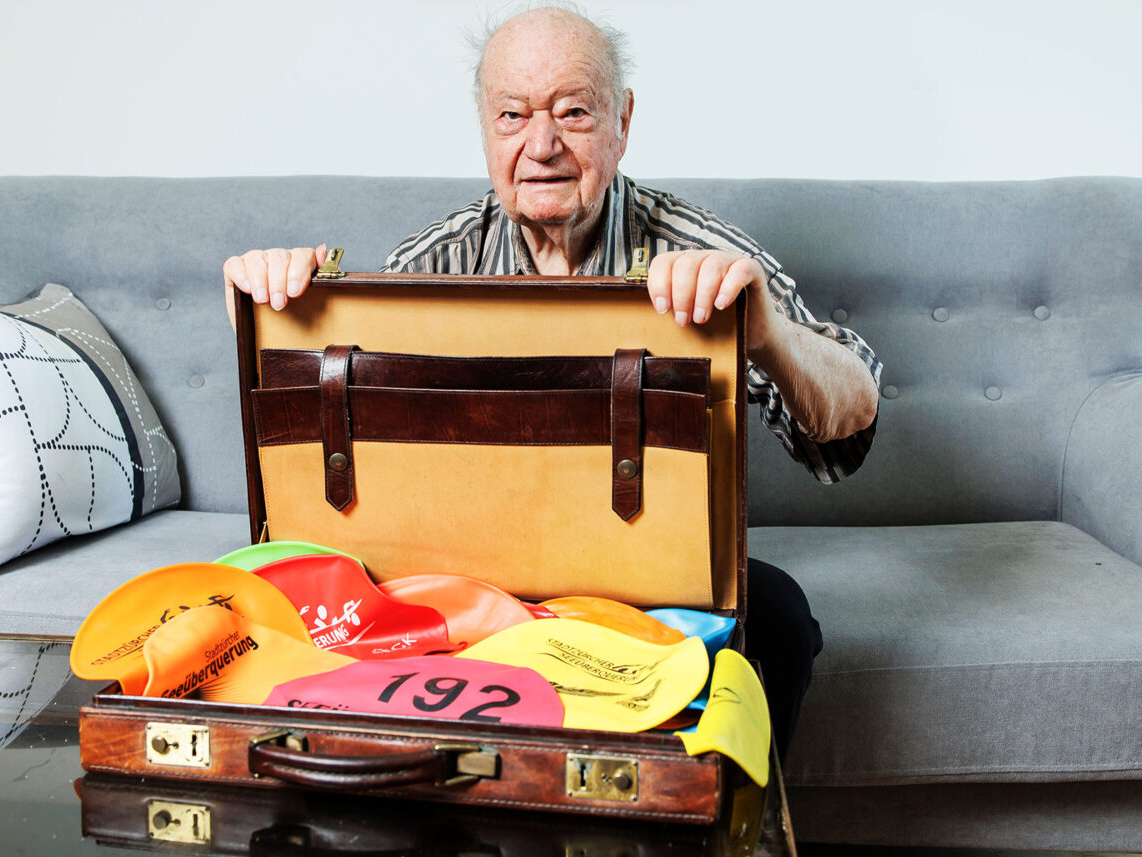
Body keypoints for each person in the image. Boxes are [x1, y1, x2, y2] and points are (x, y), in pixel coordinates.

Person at [223, 5, 882, 762]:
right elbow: (327, 468)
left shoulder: (699, 249)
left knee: (781, 619)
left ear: (622, 123)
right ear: (485, 128)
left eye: (573, 112)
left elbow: (849, 424)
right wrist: (266, 313)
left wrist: (766, 332)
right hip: (471, 587)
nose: (542, 145)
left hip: (655, 589)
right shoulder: (433, 262)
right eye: (513, 115)